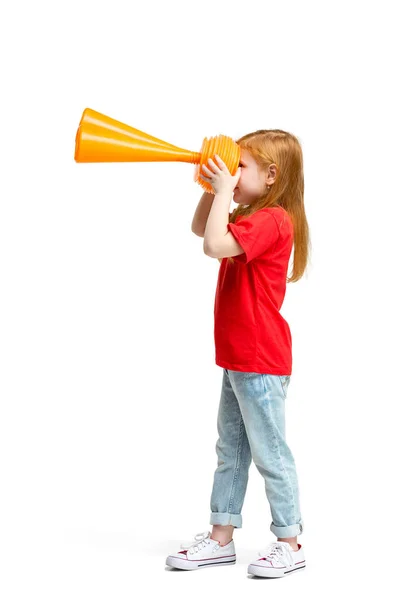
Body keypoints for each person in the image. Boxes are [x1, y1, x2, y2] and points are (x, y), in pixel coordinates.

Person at [165, 129, 311, 577]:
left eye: (240, 166)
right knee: (231, 450)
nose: (233, 171)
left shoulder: (273, 221)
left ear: (271, 175)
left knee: (271, 454)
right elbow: (200, 229)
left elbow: (214, 245)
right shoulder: (251, 213)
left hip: (260, 359)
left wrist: (222, 191)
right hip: (238, 357)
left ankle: (290, 541)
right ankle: (221, 537)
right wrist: (216, 192)